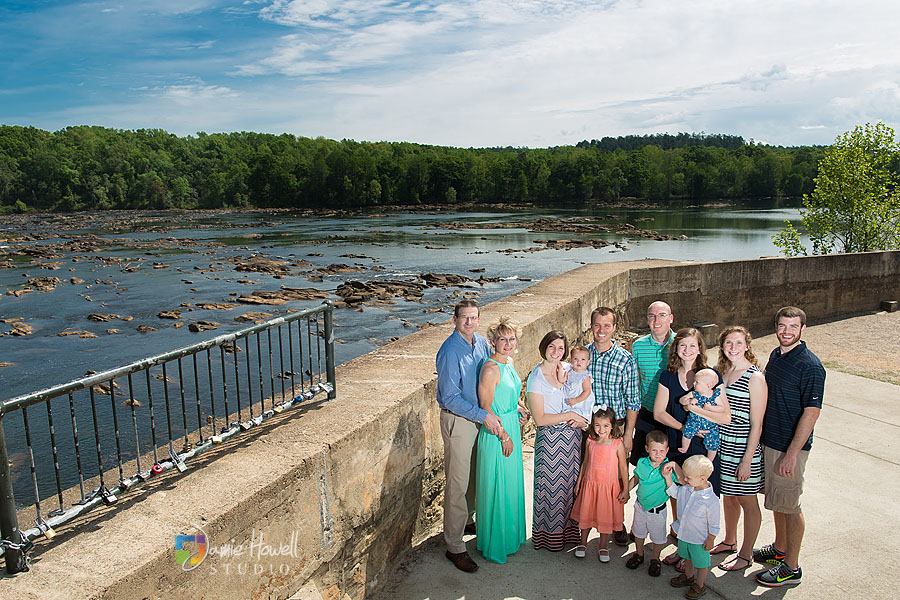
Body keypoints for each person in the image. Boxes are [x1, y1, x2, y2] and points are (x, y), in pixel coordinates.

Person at [754, 307, 825, 587]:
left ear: (802, 329)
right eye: (782, 326)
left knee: (791, 505)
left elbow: (811, 412)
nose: (786, 331)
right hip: (771, 442)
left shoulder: (810, 365)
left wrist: (792, 454)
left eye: (792, 327)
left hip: (790, 448)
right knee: (777, 502)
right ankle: (779, 548)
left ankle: (791, 567)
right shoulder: (775, 355)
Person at [653, 327, 731, 569]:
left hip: (704, 447)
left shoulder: (710, 377)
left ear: (700, 349)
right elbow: (658, 412)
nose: (687, 350)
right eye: (683, 345)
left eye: (692, 346)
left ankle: (699, 552)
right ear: (676, 348)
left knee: (702, 499)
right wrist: (685, 428)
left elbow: (725, 416)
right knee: (681, 496)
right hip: (679, 443)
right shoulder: (667, 375)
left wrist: (695, 413)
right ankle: (681, 545)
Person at [435, 300, 503, 573]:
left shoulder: (481, 344)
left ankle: (468, 520)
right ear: (454, 320)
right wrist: (483, 415)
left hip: (477, 417)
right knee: (458, 483)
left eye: (473, 317)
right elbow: (450, 397)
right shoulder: (451, 351)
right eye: (464, 318)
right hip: (460, 421)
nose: (469, 322)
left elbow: (492, 374)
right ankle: (454, 546)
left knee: (475, 474)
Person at [528, 330, 589, 551]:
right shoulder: (536, 378)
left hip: (571, 438)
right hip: (551, 440)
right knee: (551, 490)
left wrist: (584, 420)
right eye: (552, 346)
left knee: (569, 488)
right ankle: (549, 539)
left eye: (561, 348)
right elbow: (540, 419)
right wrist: (571, 416)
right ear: (544, 347)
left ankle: (569, 535)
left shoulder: (567, 369)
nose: (556, 352)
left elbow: (586, 390)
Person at [713, 326, 767, 572]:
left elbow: (757, 424)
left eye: (738, 343)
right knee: (729, 497)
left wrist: (747, 460)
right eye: (728, 343)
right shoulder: (722, 372)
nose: (733, 348)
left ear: (747, 346)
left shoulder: (754, 377)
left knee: (747, 500)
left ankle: (746, 554)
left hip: (743, 448)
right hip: (722, 445)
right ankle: (729, 540)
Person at [474, 317, 526, 564]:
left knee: (509, 486)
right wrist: (504, 435)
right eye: (503, 339)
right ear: (493, 341)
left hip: (510, 426)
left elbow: (510, 393)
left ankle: (508, 538)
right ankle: (494, 544)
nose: (507, 343)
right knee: (497, 487)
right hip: (497, 434)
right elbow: (486, 410)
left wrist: (518, 408)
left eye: (511, 339)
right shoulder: (490, 368)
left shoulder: (509, 363)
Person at [587, 306, 639, 546]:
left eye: (607, 325)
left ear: (614, 328)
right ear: (591, 326)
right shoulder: (583, 356)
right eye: (597, 324)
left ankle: (617, 524)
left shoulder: (625, 359)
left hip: (616, 426)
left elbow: (633, 400)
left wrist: (628, 434)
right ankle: (584, 521)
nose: (602, 330)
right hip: (588, 427)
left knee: (617, 478)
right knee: (590, 474)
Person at [570, 408, 629, 563]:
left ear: (612, 426)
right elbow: (585, 463)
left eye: (605, 426)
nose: (601, 429)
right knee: (586, 514)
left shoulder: (617, 444)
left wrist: (626, 489)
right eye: (597, 425)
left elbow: (623, 467)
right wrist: (579, 482)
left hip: (608, 488)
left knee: (605, 518)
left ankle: (603, 546)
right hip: (590, 485)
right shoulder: (590, 441)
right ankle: (582, 543)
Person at [665, 455, 720, 600]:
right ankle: (688, 576)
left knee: (701, 563)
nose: (685, 479)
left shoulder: (711, 501)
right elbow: (675, 492)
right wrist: (667, 478)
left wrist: (711, 538)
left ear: (702, 479)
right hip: (684, 535)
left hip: (699, 539)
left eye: (688, 477)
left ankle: (700, 584)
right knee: (687, 558)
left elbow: (714, 522)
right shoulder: (687, 489)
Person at [625, 430, 676, 577]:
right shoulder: (642, 463)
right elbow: (636, 479)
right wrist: (625, 491)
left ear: (667, 451)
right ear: (647, 449)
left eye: (662, 451)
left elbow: (681, 481)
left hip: (657, 511)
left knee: (658, 537)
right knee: (638, 532)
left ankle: (655, 558)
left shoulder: (668, 469)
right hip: (640, 507)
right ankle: (639, 554)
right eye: (654, 450)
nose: (658, 454)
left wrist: (673, 468)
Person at [631, 301, 676, 466]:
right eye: (652, 316)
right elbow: (634, 382)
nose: (656, 320)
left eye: (662, 315)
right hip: (648, 413)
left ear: (671, 318)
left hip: (673, 415)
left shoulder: (681, 344)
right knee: (642, 463)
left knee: (672, 465)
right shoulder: (638, 346)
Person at [678, 369, 725, 461]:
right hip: (694, 421)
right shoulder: (694, 394)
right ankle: (684, 447)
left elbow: (722, 408)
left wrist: (711, 408)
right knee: (687, 432)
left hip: (710, 425)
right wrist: (689, 401)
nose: (694, 383)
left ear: (709, 386)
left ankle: (710, 460)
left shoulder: (714, 396)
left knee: (713, 442)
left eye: (697, 382)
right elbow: (681, 400)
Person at [562, 346, 594, 422]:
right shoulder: (569, 371)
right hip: (569, 398)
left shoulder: (585, 376)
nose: (579, 362)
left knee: (576, 413)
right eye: (575, 359)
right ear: (571, 360)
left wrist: (577, 400)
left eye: (583, 359)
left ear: (588, 362)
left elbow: (587, 391)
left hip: (580, 401)